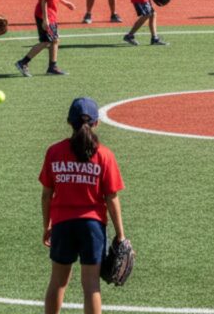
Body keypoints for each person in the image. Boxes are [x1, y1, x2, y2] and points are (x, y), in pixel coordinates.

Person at [40, 97, 126, 314]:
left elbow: (46, 195)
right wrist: (120, 234)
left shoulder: (54, 152)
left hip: (62, 224)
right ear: (97, 123)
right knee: (91, 286)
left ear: (69, 122)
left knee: (58, 283)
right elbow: (111, 198)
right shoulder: (104, 155)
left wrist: (47, 225)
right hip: (93, 227)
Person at [17, 0, 76, 77]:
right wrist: (45, 19)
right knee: (46, 42)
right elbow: (44, 1)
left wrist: (66, 3)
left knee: (54, 40)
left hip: (50, 16)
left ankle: (52, 66)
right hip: (45, 16)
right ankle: (23, 62)